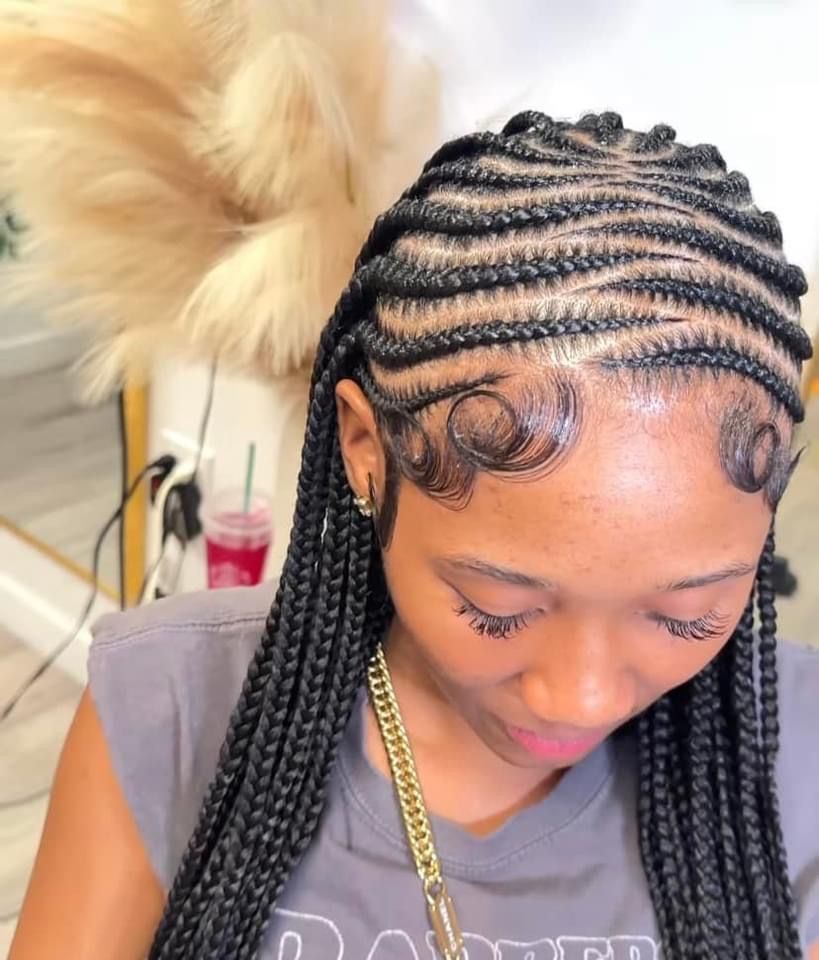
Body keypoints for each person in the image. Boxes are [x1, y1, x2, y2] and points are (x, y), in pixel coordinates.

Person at [10, 111, 819, 960]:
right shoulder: (171, 702)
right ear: (365, 449)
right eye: (496, 606)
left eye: (687, 615)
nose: (579, 698)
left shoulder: (798, 749)